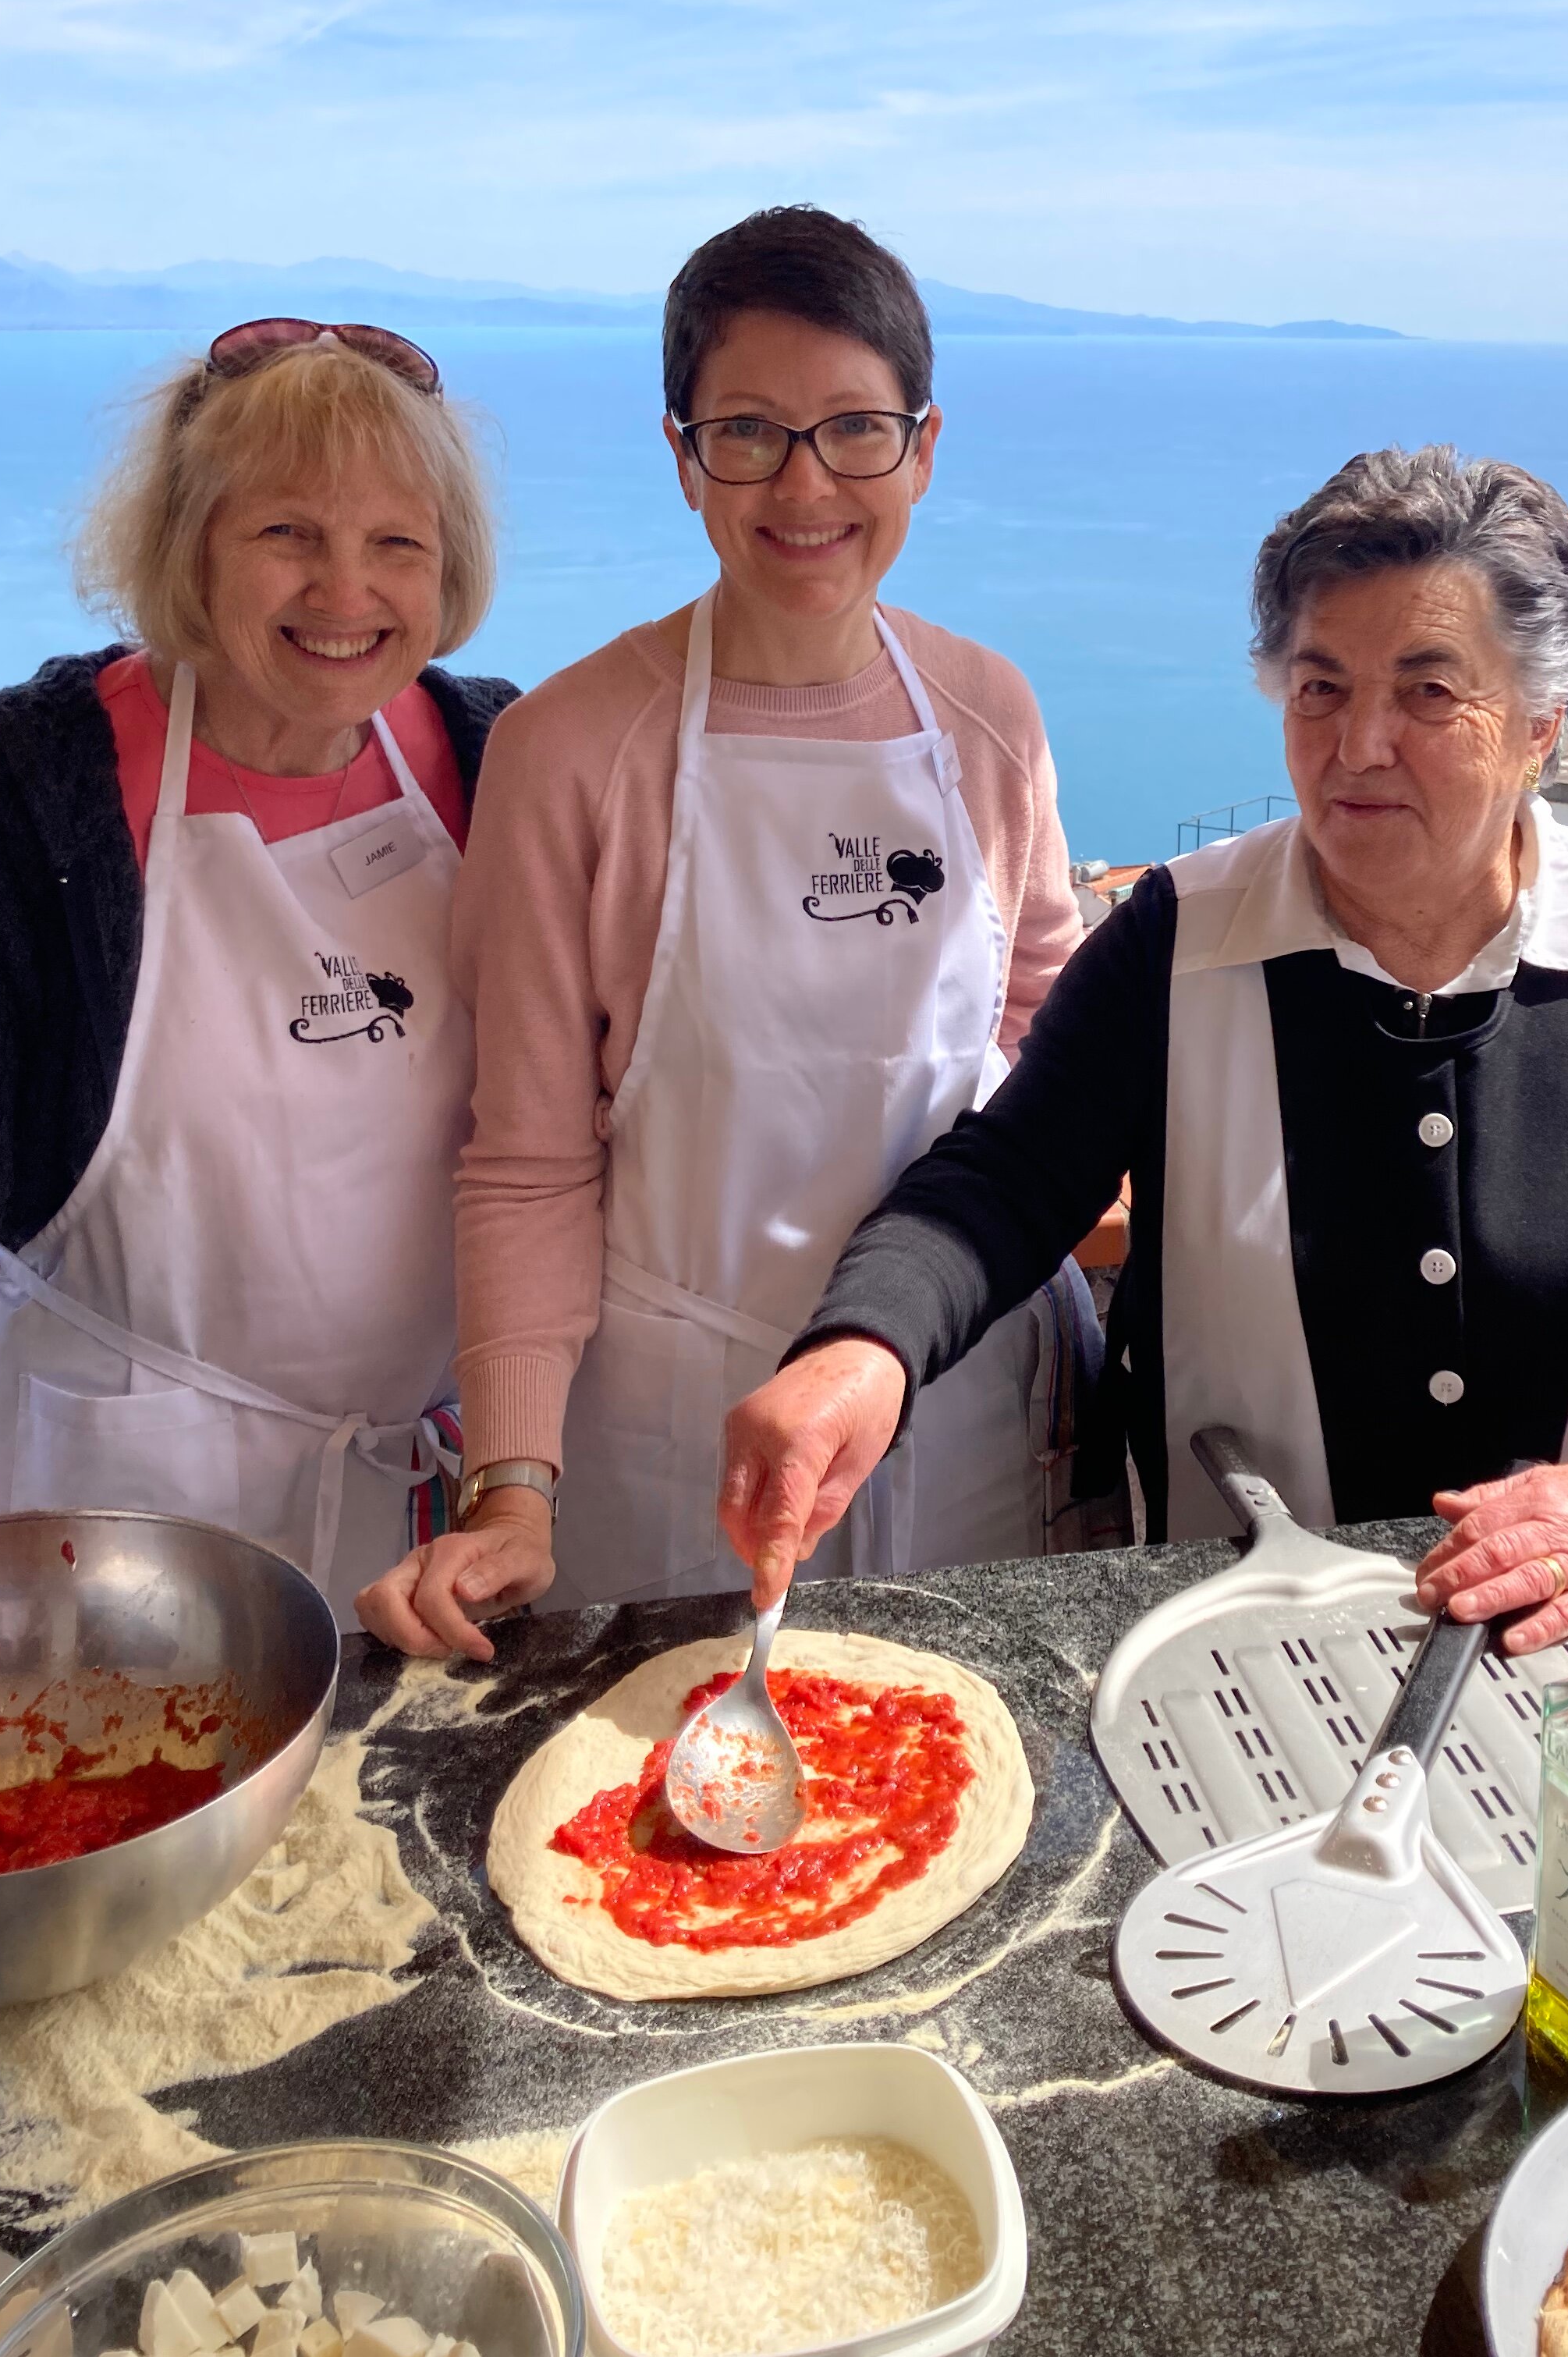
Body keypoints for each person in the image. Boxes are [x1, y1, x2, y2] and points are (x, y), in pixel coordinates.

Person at [715, 446, 1568, 1649]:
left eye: (1427, 693)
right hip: (1226, 1652)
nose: (1358, 743)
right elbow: (1001, 1183)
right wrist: (861, 1347)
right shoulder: (1179, 944)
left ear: (1539, 727)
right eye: (1320, 688)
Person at [357, 207, 1086, 1657]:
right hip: (673, 1424)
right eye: (749, 432)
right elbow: (527, 1158)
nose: (805, 483)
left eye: (855, 430)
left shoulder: (988, 718)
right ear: (685, 458)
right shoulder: (575, 749)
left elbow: (1048, 1027)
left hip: (954, 1395)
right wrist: (511, 1484)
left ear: (924, 449)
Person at [0, 321, 515, 1617]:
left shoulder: (493, 752)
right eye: (288, 534)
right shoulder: (32, 784)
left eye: (396, 543)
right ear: (191, 543)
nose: (346, 593)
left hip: (419, 1534)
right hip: (113, 1517)